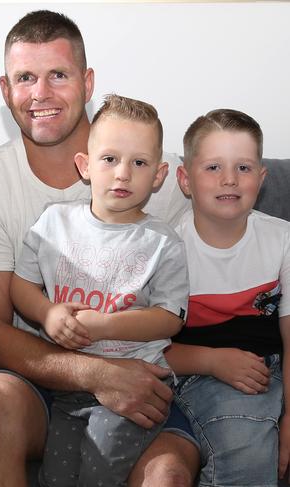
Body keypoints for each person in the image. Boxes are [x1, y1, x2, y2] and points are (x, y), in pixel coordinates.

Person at [0, 10, 190, 486]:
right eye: (25, 78)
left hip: (145, 373)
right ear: (5, 90)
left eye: (58, 75)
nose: (40, 93)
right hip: (37, 383)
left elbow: (218, 274)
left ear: (87, 82)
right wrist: (97, 374)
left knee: (166, 474)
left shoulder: (156, 173)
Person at [10, 94, 188, 487]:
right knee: (55, 477)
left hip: (138, 383)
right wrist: (47, 313)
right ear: (85, 166)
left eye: (138, 163)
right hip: (68, 383)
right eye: (110, 159)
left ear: (157, 175)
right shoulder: (53, 223)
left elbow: (169, 318)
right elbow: (20, 285)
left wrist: (105, 326)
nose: (123, 173)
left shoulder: (163, 242)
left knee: (97, 473)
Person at [137, 108, 289, 487]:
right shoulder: (165, 249)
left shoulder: (282, 240)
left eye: (243, 167)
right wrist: (213, 361)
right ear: (185, 181)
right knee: (244, 446)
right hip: (195, 372)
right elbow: (143, 350)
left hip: (271, 368)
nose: (229, 180)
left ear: (262, 177)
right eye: (213, 168)